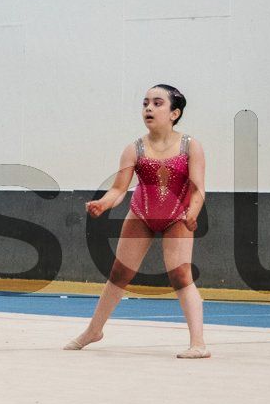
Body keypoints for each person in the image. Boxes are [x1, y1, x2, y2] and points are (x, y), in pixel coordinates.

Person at [64, 84, 209, 358]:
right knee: (119, 274)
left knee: (181, 275)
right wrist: (104, 203)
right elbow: (119, 189)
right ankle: (94, 330)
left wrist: (193, 213)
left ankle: (198, 343)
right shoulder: (135, 148)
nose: (148, 109)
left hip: (177, 216)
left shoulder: (191, 146)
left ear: (175, 113)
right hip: (141, 214)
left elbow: (198, 188)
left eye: (157, 103)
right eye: (145, 104)